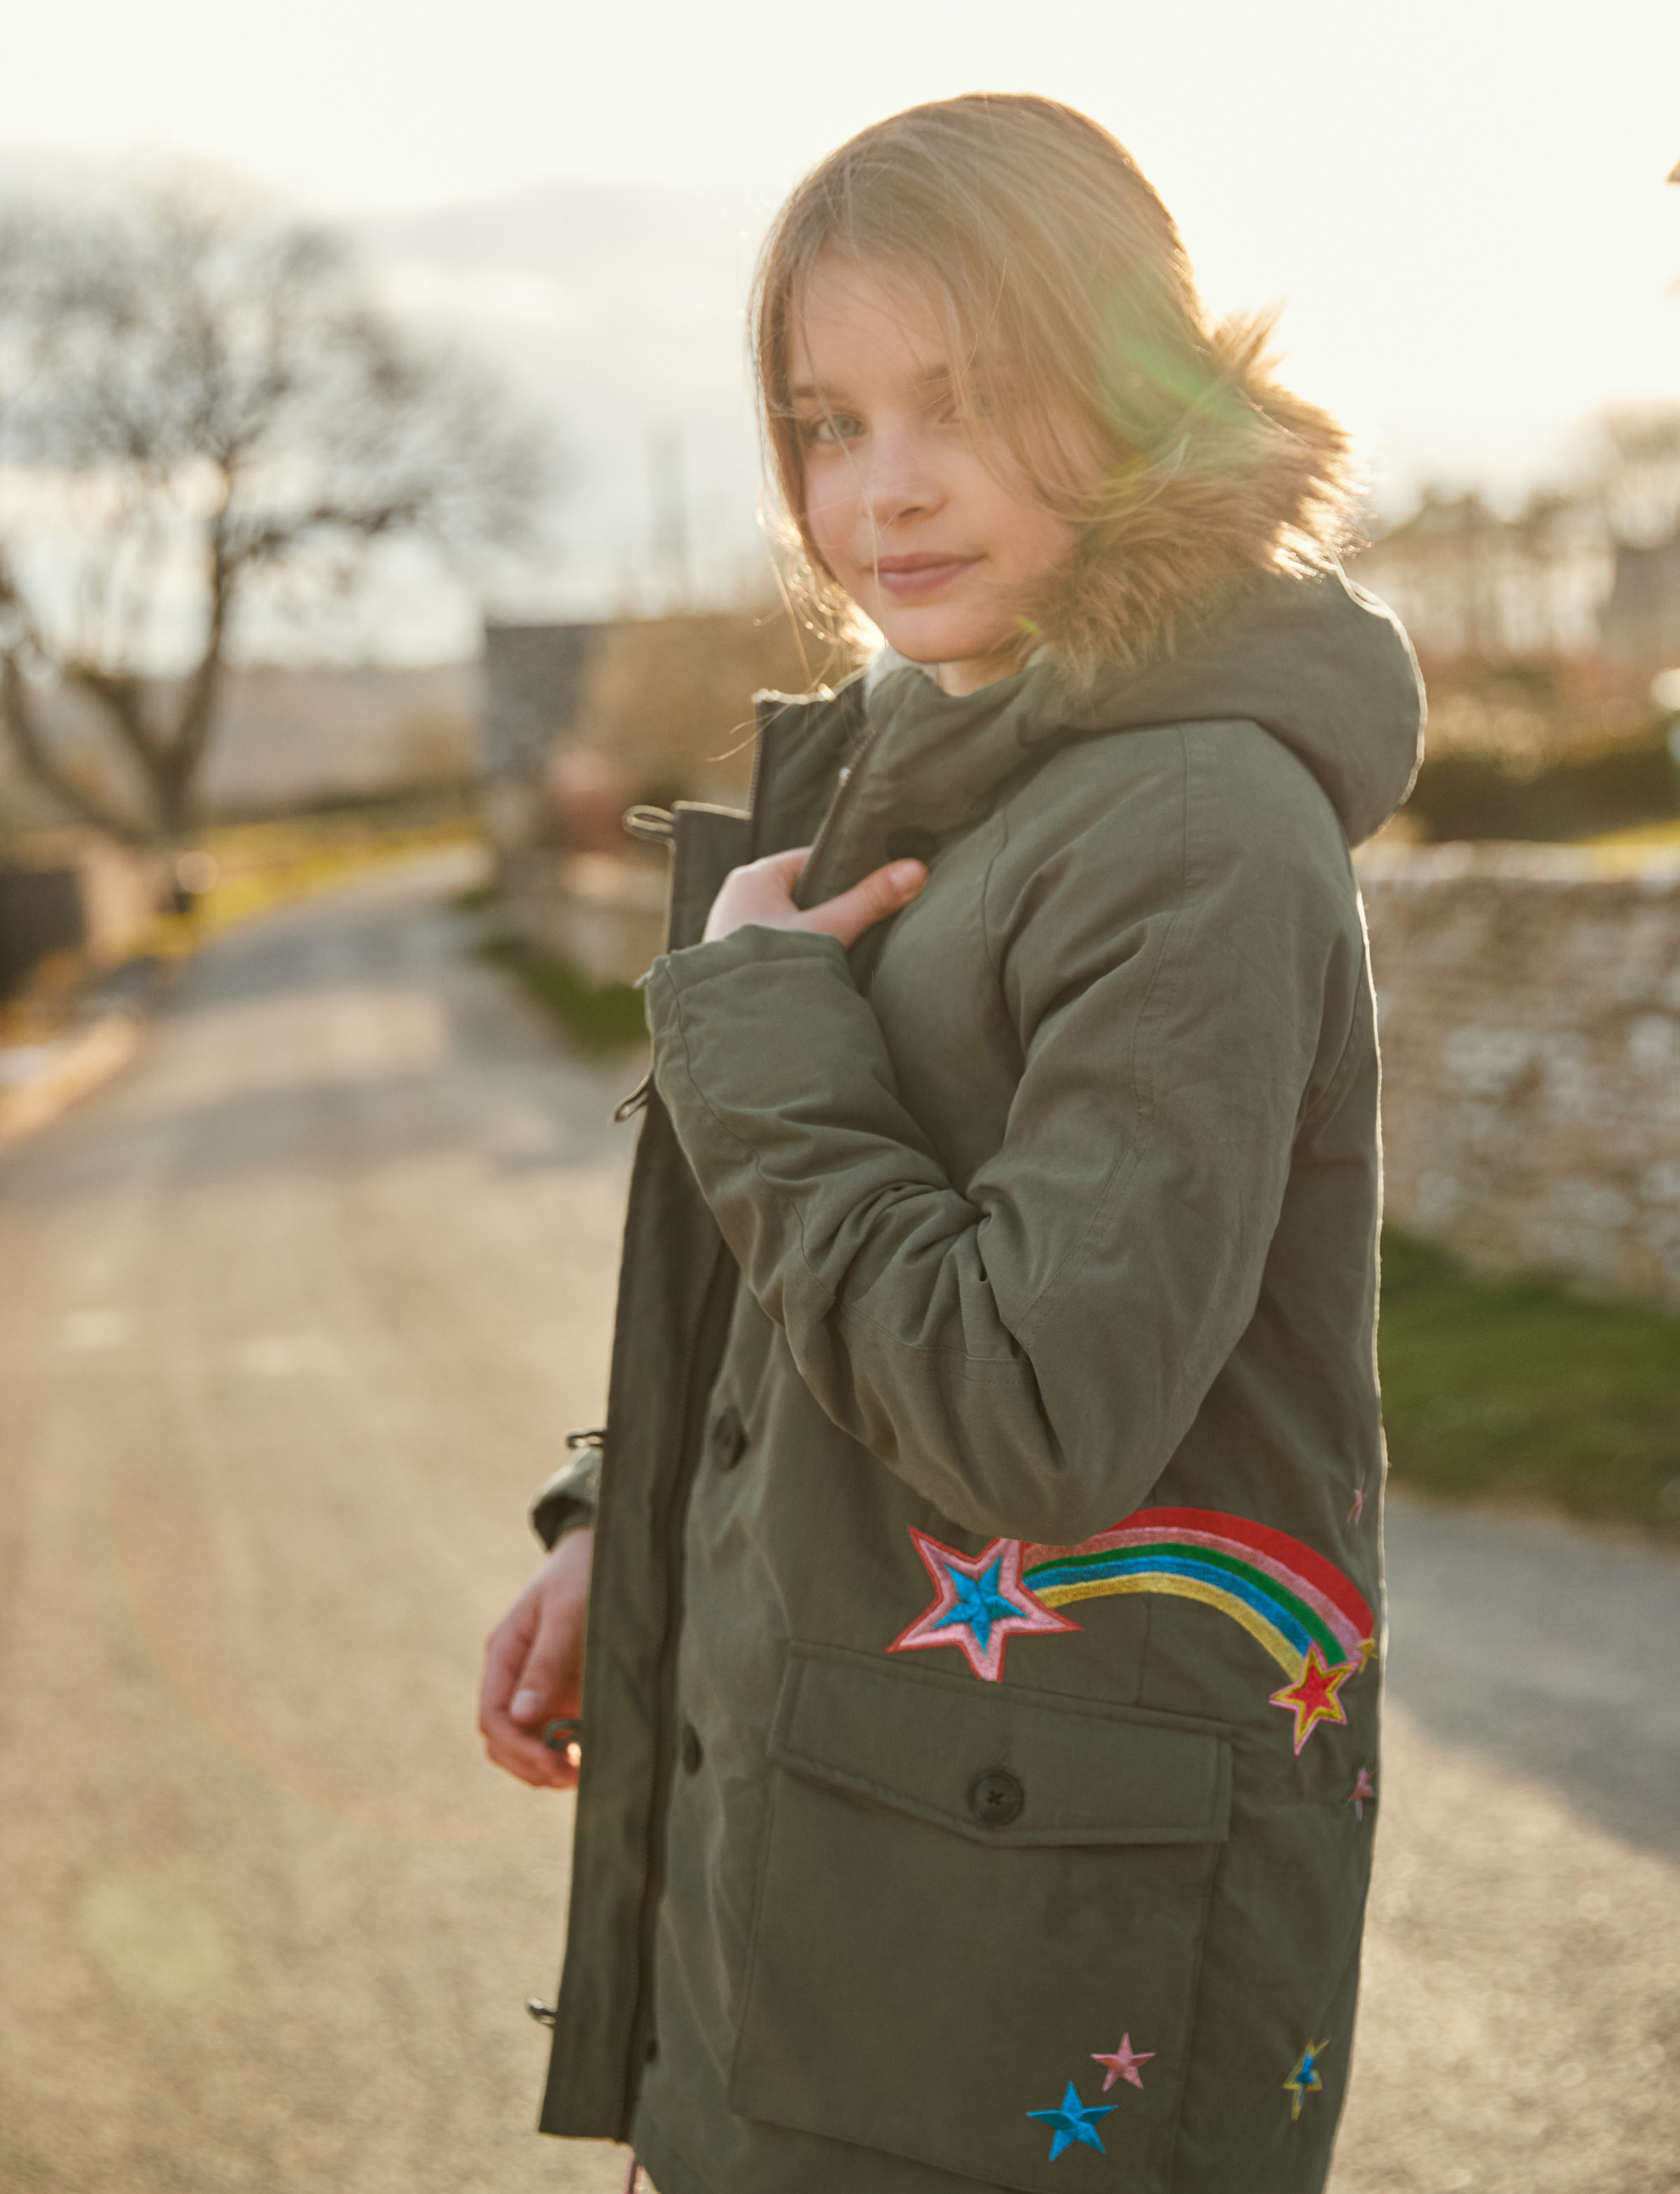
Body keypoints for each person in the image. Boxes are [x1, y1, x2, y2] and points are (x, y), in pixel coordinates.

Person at [479, 92, 1422, 2194]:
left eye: (962, 400)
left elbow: (1024, 1408)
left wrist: (752, 1027)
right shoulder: (945, 754)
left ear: (1137, 393)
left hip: (1014, 2022)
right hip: (843, 1928)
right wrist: (621, 1523)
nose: (880, 487)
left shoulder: (1196, 824)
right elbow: (823, 1281)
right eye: (826, 423)